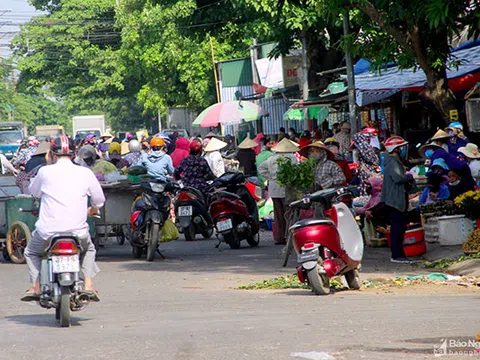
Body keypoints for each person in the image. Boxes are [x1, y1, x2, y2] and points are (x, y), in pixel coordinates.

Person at [22, 136, 105, 302]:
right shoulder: (85, 173)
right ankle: (88, 285)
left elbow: (33, 192)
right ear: (74, 154)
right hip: (78, 233)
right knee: (89, 250)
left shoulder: (45, 172)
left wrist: (47, 165)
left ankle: (36, 286)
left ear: (52, 153)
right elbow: (99, 200)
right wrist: (93, 209)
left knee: (31, 252)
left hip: (47, 233)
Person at [380, 136, 416, 264]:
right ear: (396, 149)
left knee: (399, 228)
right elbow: (398, 178)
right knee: (397, 228)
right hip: (395, 199)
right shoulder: (392, 162)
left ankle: (399, 254)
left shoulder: (394, 161)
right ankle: (397, 255)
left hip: (396, 198)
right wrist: (409, 177)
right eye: (401, 147)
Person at [258, 138, 299, 245]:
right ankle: (289, 236)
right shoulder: (292, 158)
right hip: (288, 188)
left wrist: (271, 177)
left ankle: (280, 237)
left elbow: (261, 169)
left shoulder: (272, 158)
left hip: (274, 188)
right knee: (288, 213)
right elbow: (296, 172)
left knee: (278, 214)